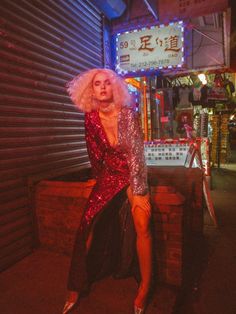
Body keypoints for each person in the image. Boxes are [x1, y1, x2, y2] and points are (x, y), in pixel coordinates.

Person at [63, 68, 153, 314]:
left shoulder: (127, 114)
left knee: (142, 221)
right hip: (108, 176)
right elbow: (95, 155)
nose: (102, 87)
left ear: (115, 87)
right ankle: (76, 285)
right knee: (87, 222)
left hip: (132, 173)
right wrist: (97, 181)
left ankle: (145, 287)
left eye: (107, 83)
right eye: (97, 84)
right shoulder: (90, 118)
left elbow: (136, 155)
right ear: (90, 90)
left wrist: (140, 191)